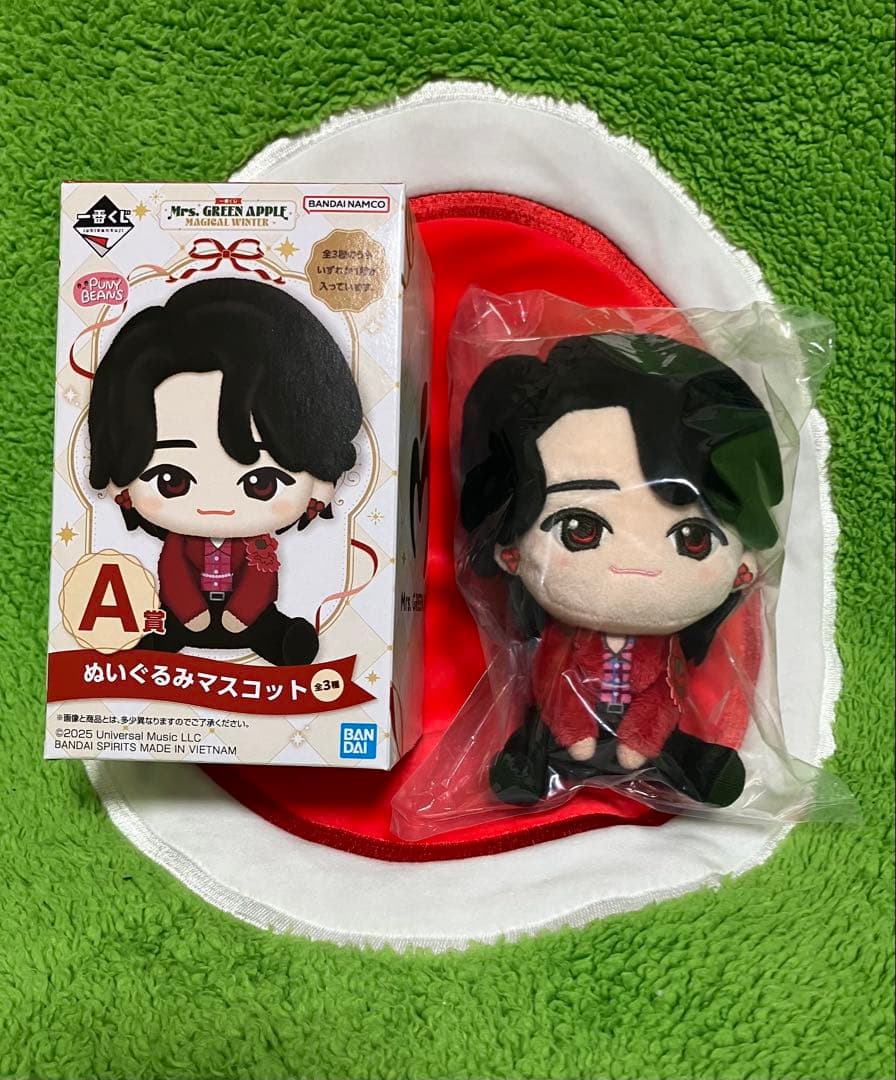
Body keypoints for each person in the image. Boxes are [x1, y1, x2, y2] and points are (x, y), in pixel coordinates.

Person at [458, 331, 783, 806]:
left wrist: (640, 739)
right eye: (580, 529)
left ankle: (689, 765)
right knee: (536, 733)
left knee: (672, 743)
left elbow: (665, 695)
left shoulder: (665, 651)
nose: (636, 566)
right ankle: (532, 762)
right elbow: (551, 683)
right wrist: (574, 731)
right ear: (511, 552)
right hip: (568, 726)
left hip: (645, 733)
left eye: (693, 539)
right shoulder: (561, 640)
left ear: (743, 569)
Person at [88, 277, 363, 666]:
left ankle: (283, 643)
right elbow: (173, 572)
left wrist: (241, 614)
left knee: (271, 631)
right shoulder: (180, 544)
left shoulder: (260, 546)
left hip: (249, 616)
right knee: (164, 632)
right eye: (171, 480)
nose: (215, 504)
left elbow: (260, 580)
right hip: (185, 614)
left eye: (261, 484)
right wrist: (190, 612)